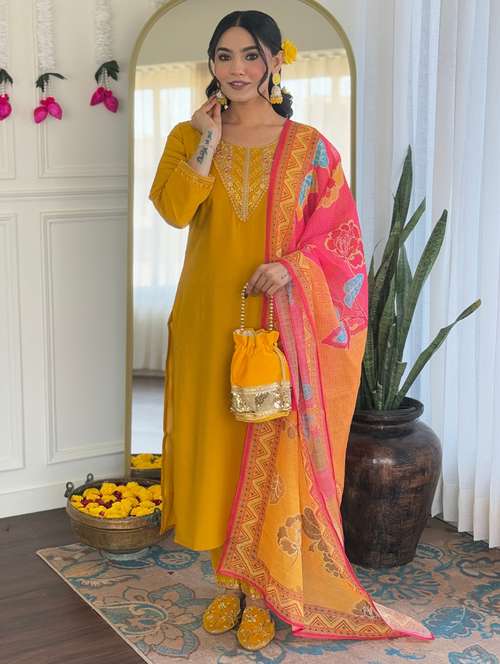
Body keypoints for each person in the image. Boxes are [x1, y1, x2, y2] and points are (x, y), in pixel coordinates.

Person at [149, 9, 434, 652]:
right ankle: (229, 580)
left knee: (269, 445)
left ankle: (263, 588)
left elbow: (343, 242)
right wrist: (206, 141)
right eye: (224, 56)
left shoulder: (310, 148)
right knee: (216, 445)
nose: (236, 69)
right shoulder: (188, 136)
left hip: (279, 325)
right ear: (212, 63)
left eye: (251, 55)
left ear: (276, 61)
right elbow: (173, 210)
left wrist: (293, 266)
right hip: (206, 317)